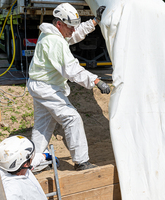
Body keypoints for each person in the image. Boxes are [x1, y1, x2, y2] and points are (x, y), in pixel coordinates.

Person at [27, 3, 110, 171]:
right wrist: (95, 81)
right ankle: (81, 161)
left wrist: (94, 21)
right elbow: (71, 70)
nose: (73, 30)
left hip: (40, 85)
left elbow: (75, 35)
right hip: (47, 88)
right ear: (59, 24)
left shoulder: (52, 34)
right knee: (72, 118)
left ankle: (32, 163)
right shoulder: (54, 41)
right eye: (70, 27)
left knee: (43, 126)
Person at [0, 135, 54, 200]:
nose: (32, 157)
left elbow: (30, 161)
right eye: (32, 156)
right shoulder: (12, 192)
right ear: (26, 164)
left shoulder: (14, 167)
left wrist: (43, 156)